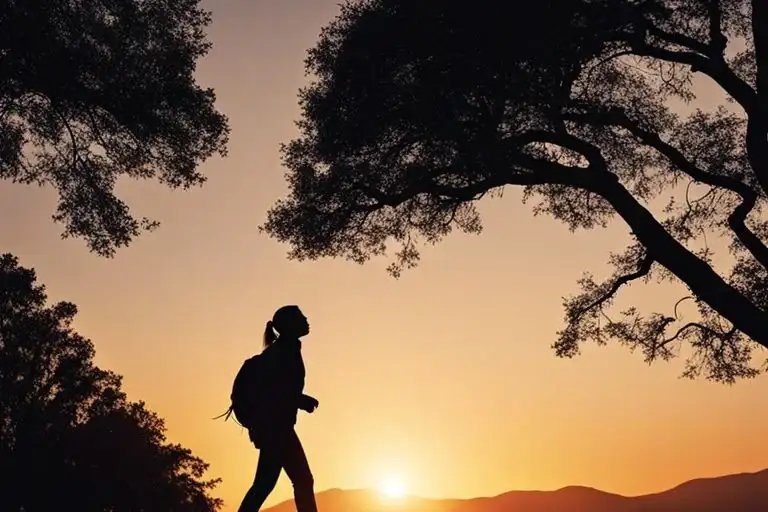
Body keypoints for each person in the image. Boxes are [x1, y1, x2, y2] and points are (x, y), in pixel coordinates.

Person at [238, 305, 320, 512]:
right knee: (302, 480)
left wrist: (299, 400)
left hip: (273, 428)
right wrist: (300, 400)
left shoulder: (283, 350)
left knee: (264, 484)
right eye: (300, 317)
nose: (306, 319)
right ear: (290, 324)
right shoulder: (283, 352)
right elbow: (276, 390)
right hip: (277, 429)